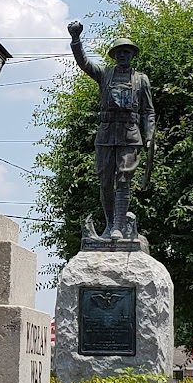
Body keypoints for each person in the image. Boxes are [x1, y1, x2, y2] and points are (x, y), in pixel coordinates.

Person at [67, 22, 155, 240]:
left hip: (130, 134)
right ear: (114, 55)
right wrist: (76, 39)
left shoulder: (141, 80)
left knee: (124, 179)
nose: (123, 55)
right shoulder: (105, 74)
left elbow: (148, 112)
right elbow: (84, 63)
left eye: (127, 51)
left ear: (132, 54)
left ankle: (119, 225)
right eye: (119, 52)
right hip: (106, 134)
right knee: (105, 181)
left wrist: (150, 135)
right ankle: (109, 224)